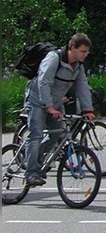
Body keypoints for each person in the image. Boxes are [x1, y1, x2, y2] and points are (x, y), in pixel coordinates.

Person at [23, 33, 95, 187]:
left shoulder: (78, 66)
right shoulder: (54, 58)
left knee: (58, 134)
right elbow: (44, 82)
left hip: (55, 103)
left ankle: (37, 161)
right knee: (35, 135)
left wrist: (88, 110)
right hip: (37, 100)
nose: (85, 54)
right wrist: (48, 107)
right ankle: (31, 173)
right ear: (72, 48)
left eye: (87, 52)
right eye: (83, 51)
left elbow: (82, 86)